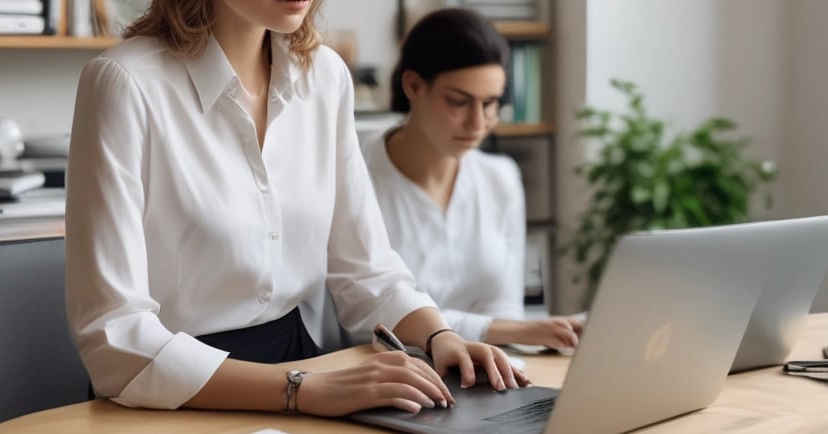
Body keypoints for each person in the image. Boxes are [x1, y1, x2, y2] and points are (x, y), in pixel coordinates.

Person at [64, 0, 528, 417]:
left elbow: (366, 270)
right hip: (172, 393)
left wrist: (439, 336)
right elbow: (115, 339)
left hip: (301, 365)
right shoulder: (125, 83)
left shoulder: (324, 75)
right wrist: (301, 390)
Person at [363, 8, 583, 351]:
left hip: (482, 367)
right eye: (459, 102)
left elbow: (505, 311)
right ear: (413, 86)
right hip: (387, 368)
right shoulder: (358, 174)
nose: (478, 124)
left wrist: (530, 335)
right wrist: (513, 331)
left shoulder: (501, 179)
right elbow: (369, 314)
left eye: (490, 103)